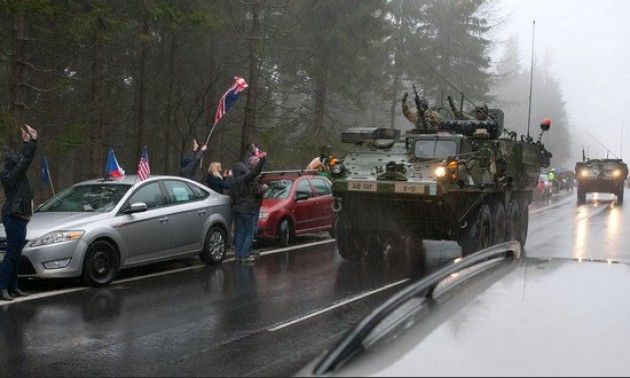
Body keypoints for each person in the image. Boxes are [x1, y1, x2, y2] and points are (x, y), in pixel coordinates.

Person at [0, 124, 38, 301]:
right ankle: (2, 288)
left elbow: (23, 160)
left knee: (16, 253)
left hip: (20, 216)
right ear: (13, 164)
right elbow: (25, 160)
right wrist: (31, 142)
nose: (19, 160)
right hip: (13, 216)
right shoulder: (10, 175)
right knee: (12, 253)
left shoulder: (17, 173)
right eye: (16, 159)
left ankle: (13, 286)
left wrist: (27, 142)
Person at [229, 146, 267, 263]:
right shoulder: (245, 179)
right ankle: (245, 255)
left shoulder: (233, 182)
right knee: (248, 233)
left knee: (239, 233)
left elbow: (232, 197)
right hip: (248, 209)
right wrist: (262, 160)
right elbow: (256, 171)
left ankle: (238, 256)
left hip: (237, 210)